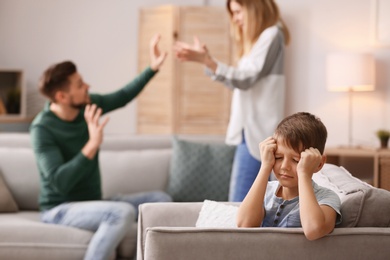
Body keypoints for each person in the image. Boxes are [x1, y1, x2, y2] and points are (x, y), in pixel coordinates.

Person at [30, 34, 172, 260]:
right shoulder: (42, 129)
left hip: (95, 203)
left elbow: (123, 96)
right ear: (62, 96)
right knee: (120, 213)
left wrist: (152, 68)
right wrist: (92, 144)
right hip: (60, 209)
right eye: (80, 84)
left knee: (161, 202)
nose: (87, 86)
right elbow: (60, 181)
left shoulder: (87, 104)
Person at [173, 0, 290, 202]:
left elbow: (245, 79)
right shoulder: (259, 41)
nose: (235, 19)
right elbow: (240, 83)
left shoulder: (271, 34)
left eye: (237, 12)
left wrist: (208, 61)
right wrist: (207, 62)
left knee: (239, 203)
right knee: (246, 203)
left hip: (257, 132)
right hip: (250, 131)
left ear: (253, 7)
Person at [236, 112, 342, 240]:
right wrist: (265, 166)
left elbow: (313, 230)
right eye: (278, 157)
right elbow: (244, 224)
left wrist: (303, 174)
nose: (284, 166)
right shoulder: (266, 190)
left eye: (296, 160)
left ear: (319, 164)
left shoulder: (327, 198)